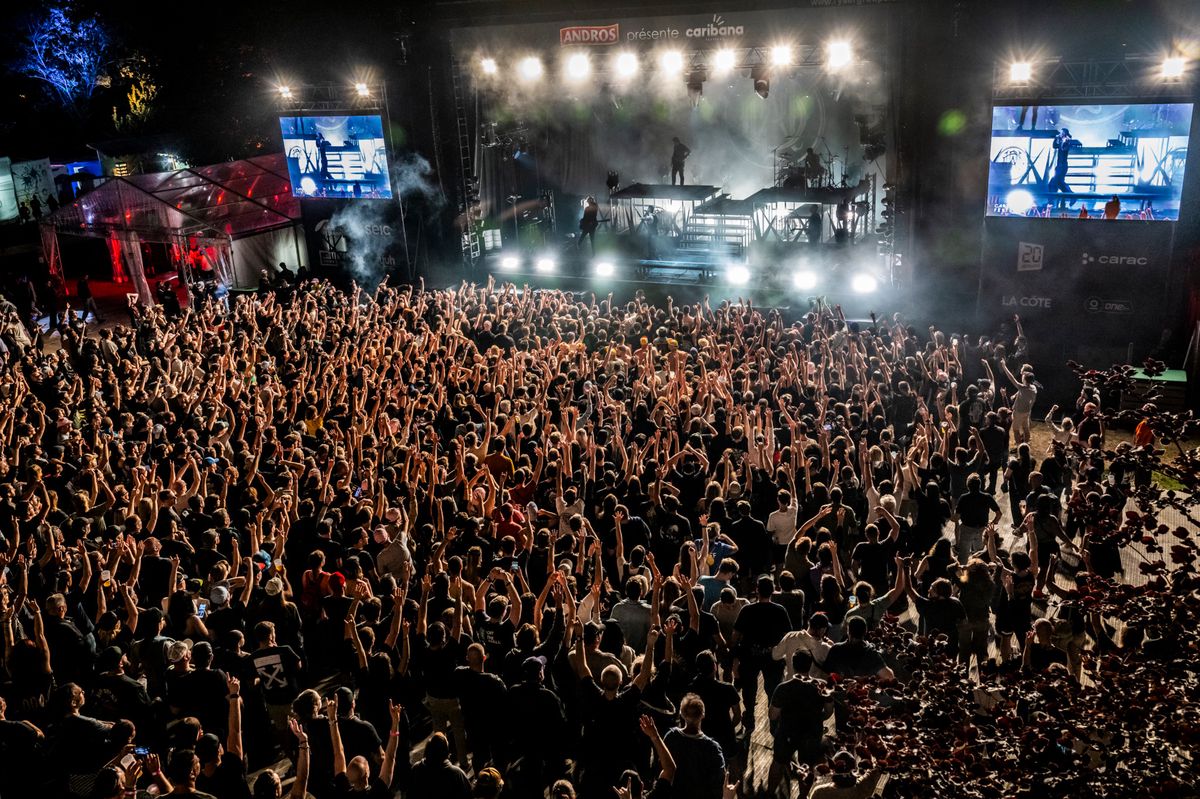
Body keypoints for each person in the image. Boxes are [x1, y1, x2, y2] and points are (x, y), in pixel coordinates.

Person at [1049, 128, 1077, 205]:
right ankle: (1071, 196)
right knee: (1059, 183)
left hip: (1062, 166)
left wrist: (1063, 141)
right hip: (1059, 166)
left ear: (1064, 133)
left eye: (1061, 133)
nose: (1060, 134)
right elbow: (1054, 146)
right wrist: (1056, 138)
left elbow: (1063, 149)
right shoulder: (1062, 141)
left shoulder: (1067, 141)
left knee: (1054, 182)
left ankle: (1051, 201)